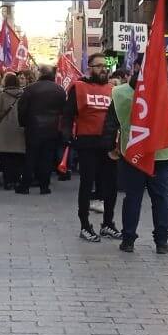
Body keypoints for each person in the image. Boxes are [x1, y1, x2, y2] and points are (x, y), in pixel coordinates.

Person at [107, 68, 168, 254]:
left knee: (133, 198)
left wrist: (111, 147)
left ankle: (128, 240)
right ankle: (162, 242)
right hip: (162, 153)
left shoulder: (121, 92)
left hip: (133, 152)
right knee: (161, 199)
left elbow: (111, 122)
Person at [63, 53, 122, 242]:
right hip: (87, 143)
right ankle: (85, 225)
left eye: (106, 66)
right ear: (90, 68)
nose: (104, 69)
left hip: (109, 144)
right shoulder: (79, 88)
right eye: (99, 66)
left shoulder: (113, 89)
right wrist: (68, 138)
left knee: (111, 185)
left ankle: (107, 223)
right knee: (87, 185)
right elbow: (67, 115)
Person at [17, 64, 66, 194]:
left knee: (30, 157)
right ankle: (44, 186)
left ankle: (25, 185)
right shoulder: (60, 90)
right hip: (52, 128)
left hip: (33, 128)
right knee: (47, 158)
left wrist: (23, 123)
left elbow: (22, 109)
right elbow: (63, 110)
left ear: (40, 73)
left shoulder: (31, 89)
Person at [0, 72, 26, 191]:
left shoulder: (2, 95)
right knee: (18, 159)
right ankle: (16, 181)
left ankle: (8, 182)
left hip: (5, 130)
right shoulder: (23, 95)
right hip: (20, 129)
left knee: (6, 159)